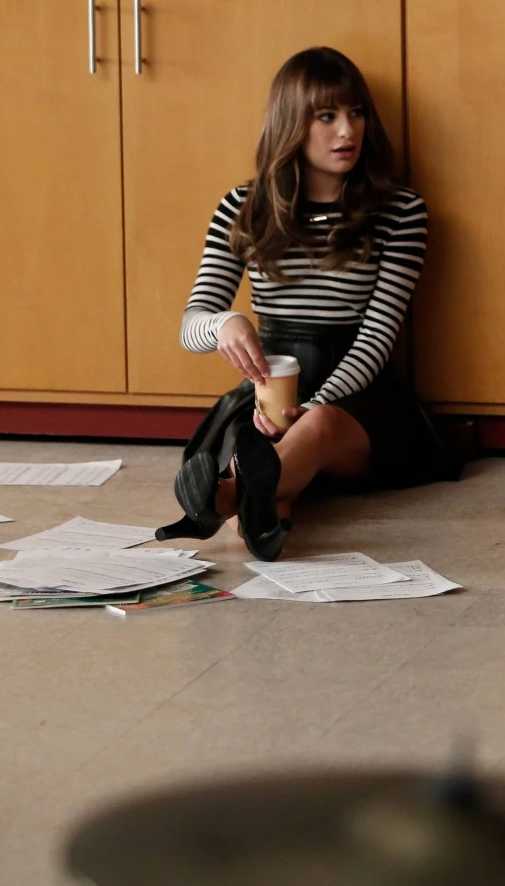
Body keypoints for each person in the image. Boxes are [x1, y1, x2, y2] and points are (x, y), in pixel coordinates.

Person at [156, 46, 461, 561]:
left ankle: (223, 498)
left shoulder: (400, 212)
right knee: (258, 470)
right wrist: (225, 324)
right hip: (268, 394)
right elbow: (192, 325)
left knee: (317, 428)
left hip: (357, 396)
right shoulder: (242, 207)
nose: (347, 130)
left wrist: (311, 408)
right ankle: (261, 506)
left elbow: (377, 338)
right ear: (290, 123)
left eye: (356, 113)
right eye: (326, 116)